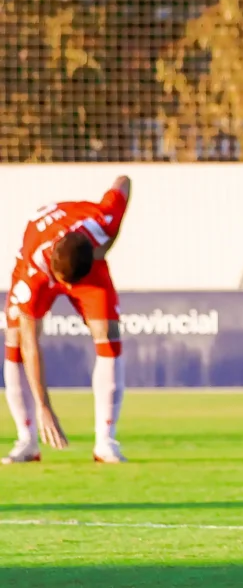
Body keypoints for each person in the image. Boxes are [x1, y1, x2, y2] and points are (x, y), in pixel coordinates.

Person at [6, 177, 134, 464]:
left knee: (109, 333)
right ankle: (27, 441)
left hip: (86, 256)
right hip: (40, 257)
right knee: (15, 339)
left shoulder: (102, 221)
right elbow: (30, 344)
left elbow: (123, 181)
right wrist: (44, 406)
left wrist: (109, 242)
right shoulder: (33, 271)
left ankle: (106, 442)